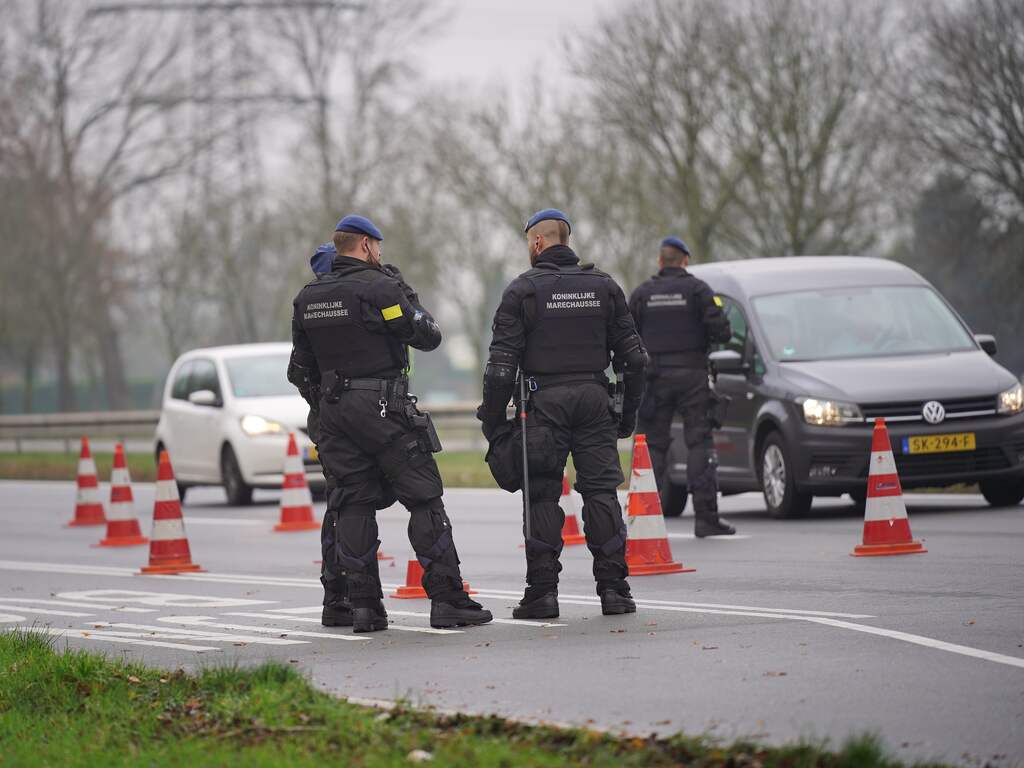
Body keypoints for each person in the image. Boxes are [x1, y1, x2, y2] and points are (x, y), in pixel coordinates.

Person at [289, 215, 492, 633]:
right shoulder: (381, 287)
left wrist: (328, 406)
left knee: (352, 503)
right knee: (423, 497)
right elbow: (427, 336)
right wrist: (408, 296)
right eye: (377, 247)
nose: (380, 254)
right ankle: (447, 599)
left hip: (333, 413)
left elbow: (300, 370)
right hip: (383, 408)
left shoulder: (307, 297)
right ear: (365, 245)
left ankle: (363, 608)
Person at [477, 208, 648, 620]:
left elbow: (501, 368)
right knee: (601, 493)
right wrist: (626, 413)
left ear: (537, 243)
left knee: (541, 494)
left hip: (543, 404)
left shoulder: (523, 291)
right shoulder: (604, 287)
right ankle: (614, 592)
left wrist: (493, 420)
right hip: (594, 400)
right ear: (565, 241)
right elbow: (635, 361)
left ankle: (543, 595)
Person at [628, 236, 734, 537]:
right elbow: (723, 331)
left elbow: (624, 333)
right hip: (692, 377)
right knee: (699, 443)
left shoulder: (642, 294)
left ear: (660, 261)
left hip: (654, 379)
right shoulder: (699, 290)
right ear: (685, 260)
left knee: (652, 447)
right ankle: (705, 518)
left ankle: (643, 518)